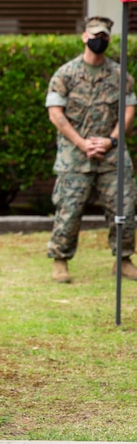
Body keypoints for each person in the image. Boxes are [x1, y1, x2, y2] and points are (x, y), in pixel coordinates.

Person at [46, 15, 137, 283]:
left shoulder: (121, 75)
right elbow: (55, 114)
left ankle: (123, 260)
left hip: (111, 154)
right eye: (95, 35)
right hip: (75, 156)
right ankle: (60, 260)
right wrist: (81, 143)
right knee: (69, 209)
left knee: (124, 207)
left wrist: (111, 140)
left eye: (104, 36)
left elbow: (129, 110)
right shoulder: (66, 74)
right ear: (84, 36)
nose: (99, 40)